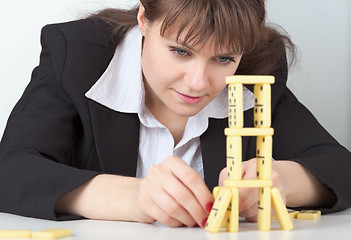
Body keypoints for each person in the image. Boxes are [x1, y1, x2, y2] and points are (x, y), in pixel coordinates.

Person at [0, 0, 350, 229]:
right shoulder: (75, 57)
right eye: (180, 51)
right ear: (144, 19)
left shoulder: (258, 75)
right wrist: (134, 197)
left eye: (224, 59)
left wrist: (282, 182)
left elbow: (341, 167)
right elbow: (10, 170)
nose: (198, 83)